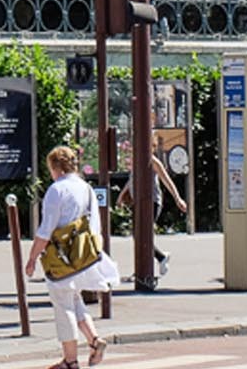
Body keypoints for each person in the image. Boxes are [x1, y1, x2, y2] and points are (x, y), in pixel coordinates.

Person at [24, 146, 121, 369]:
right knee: (74, 299)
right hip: (84, 256)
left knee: (63, 305)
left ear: (55, 167)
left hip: (61, 258)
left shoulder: (57, 190)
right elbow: (94, 225)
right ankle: (95, 341)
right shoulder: (86, 188)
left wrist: (32, 258)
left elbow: (46, 229)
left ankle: (70, 360)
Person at [116, 137, 189, 280]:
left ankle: (159, 259)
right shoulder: (136, 161)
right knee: (137, 235)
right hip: (138, 201)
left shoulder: (153, 161)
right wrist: (122, 195)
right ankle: (146, 266)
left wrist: (177, 198)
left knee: (143, 234)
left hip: (152, 201)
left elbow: (166, 179)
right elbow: (132, 180)